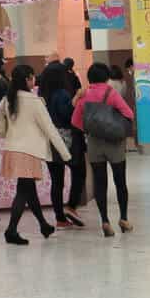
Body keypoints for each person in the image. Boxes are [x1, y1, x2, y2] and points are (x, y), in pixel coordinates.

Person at [0, 65, 70, 245]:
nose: (34, 80)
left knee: (28, 190)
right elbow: (50, 129)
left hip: (12, 149)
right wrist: (66, 154)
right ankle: (11, 230)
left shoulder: (7, 100)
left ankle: (43, 225)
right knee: (23, 191)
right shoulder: (34, 101)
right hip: (28, 151)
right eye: (32, 77)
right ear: (27, 79)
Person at [72, 63, 135, 236]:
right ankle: (123, 219)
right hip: (114, 143)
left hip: (94, 143)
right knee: (120, 182)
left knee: (100, 184)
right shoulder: (110, 92)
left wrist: (92, 129)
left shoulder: (84, 95)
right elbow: (129, 114)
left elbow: (76, 121)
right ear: (106, 77)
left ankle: (105, 221)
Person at [38, 62, 84, 229]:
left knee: (56, 181)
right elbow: (67, 114)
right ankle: (71, 206)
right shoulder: (62, 94)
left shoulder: (41, 95)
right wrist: (76, 98)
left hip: (49, 140)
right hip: (67, 140)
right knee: (79, 172)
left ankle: (60, 218)